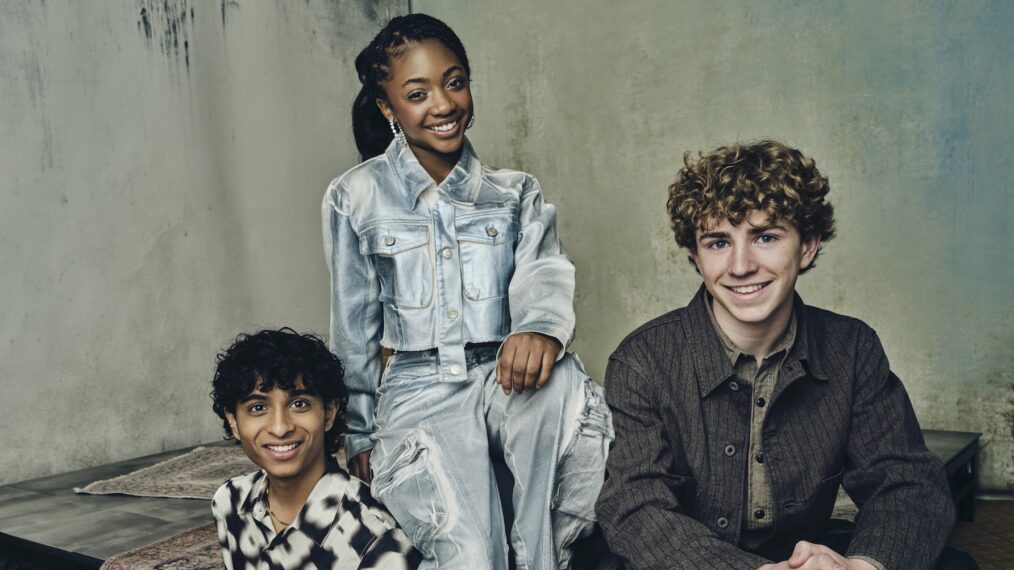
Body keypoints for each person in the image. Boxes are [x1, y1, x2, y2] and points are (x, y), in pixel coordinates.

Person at [596, 141, 977, 569]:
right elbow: (635, 508)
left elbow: (907, 483)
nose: (740, 266)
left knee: (951, 564)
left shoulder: (852, 347)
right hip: (689, 562)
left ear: (808, 246)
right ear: (695, 258)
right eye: (718, 243)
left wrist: (861, 567)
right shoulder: (642, 359)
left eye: (765, 237)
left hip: (803, 554)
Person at [321, 13, 613, 570]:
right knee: (473, 554)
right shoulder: (353, 196)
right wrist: (357, 433)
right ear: (388, 108)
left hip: (510, 376)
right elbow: (352, 325)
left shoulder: (515, 191)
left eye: (455, 82)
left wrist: (536, 328)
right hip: (419, 386)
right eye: (417, 92)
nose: (443, 103)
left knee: (561, 411)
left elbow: (543, 269)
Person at [210, 328, 421, 570]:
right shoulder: (230, 501)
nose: (280, 428)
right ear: (234, 422)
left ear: (329, 413)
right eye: (258, 407)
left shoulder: (375, 538)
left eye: (299, 404)